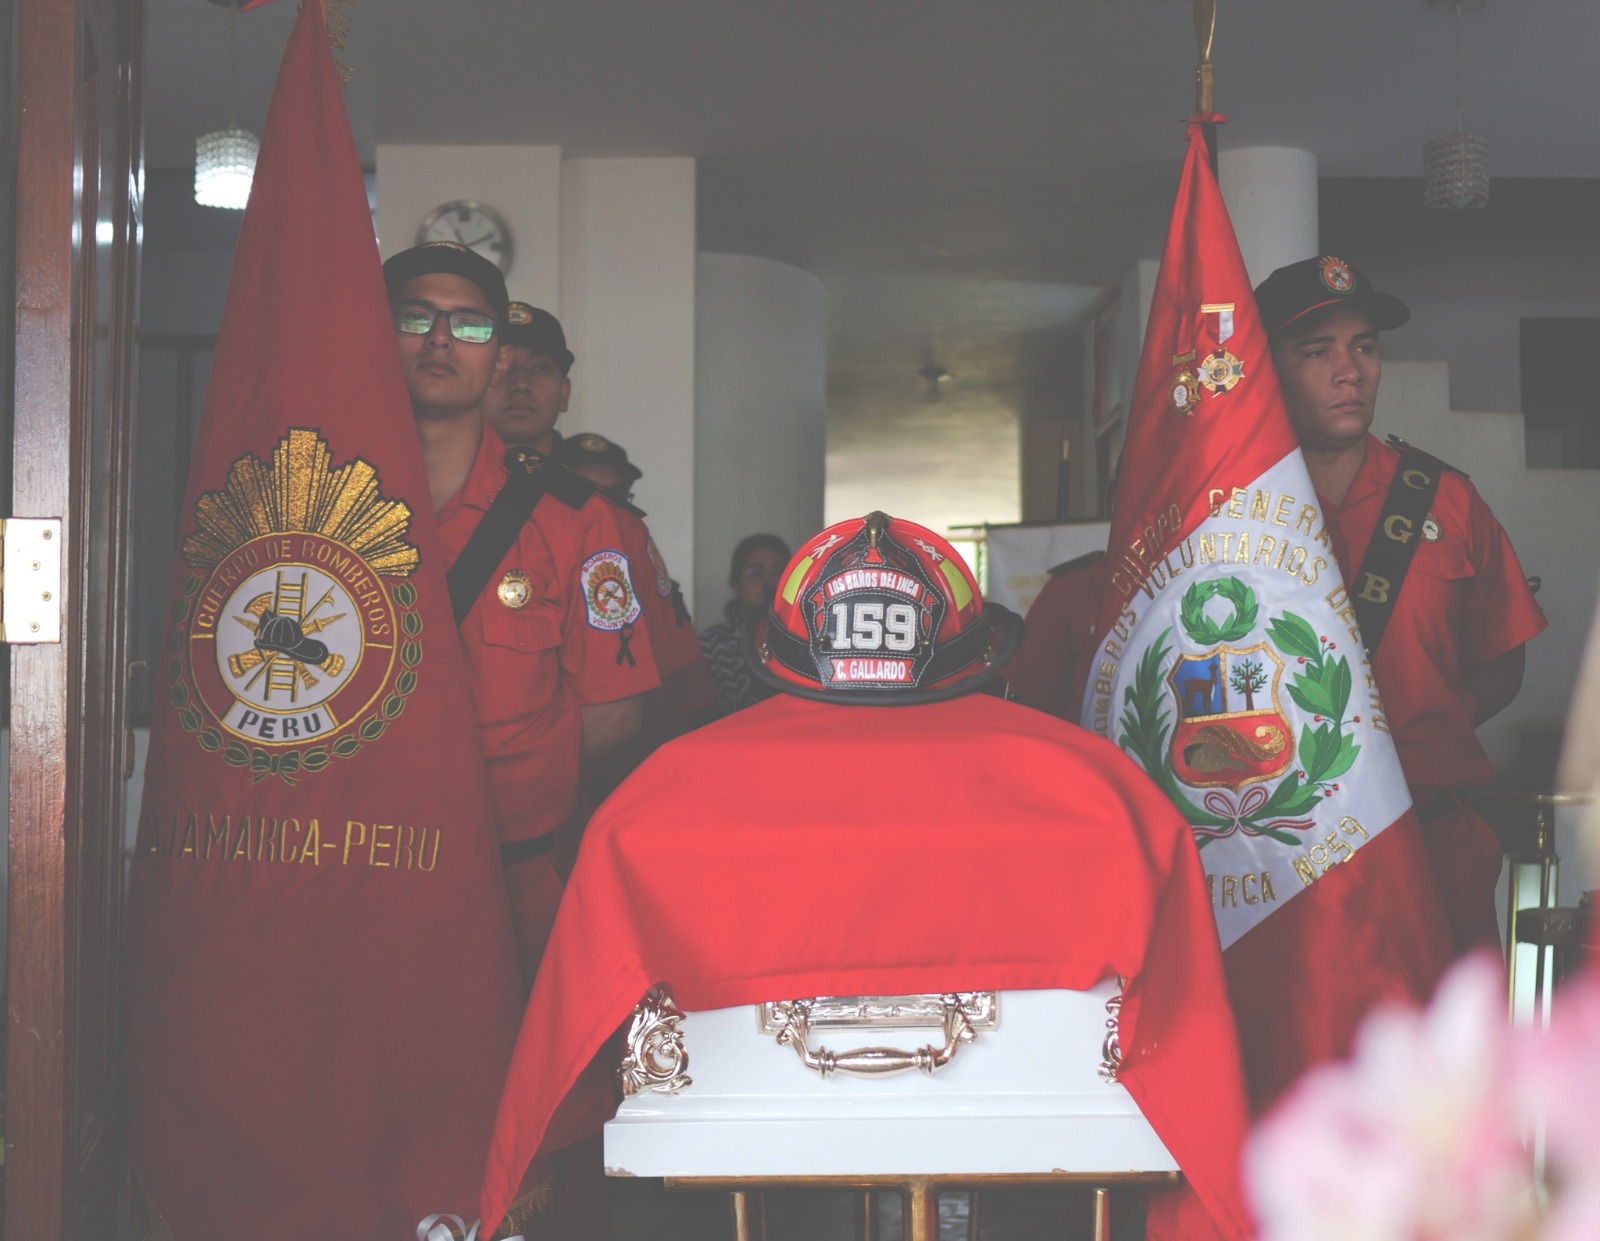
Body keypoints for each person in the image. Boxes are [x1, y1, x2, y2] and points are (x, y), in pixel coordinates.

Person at [478, 513, 1255, 1241]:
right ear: (979, 652)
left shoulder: (652, 798)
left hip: (725, 1174)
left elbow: (567, 1029)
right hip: (1056, 1172)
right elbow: (1187, 1037)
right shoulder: (1105, 790)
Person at [382, 245, 661, 983]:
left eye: (469, 326)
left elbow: (615, 713)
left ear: (496, 357)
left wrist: (504, 807)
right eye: (415, 318)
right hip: (361, 874)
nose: (440, 338)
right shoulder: (324, 502)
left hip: (515, 883)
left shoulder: (577, 522)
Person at [1254, 254, 1548, 953]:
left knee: (1452, 1058)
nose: (1349, 369)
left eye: (1364, 346)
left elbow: (1501, 661)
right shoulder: (1240, 513)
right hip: (1289, 860)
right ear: (1269, 369)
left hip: (1436, 840)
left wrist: (1423, 726)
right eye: (1317, 350)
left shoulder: (1444, 499)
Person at [697, 532, 791, 715]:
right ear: (736, 584)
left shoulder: (807, 639)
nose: (769, 580)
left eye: (779, 571)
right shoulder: (712, 644)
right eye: (756, 572)